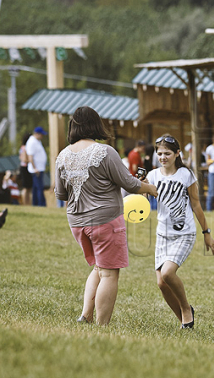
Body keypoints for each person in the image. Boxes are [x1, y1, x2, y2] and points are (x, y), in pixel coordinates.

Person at [55, 106, 157, 326]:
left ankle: (85, 315)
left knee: (99, 268)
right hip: (105, 221)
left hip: (76, 223)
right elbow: (129, 183)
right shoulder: (105, 152)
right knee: (109, 274)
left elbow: (61, 194)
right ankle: (102, 326)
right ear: (95, 125)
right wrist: (149, 188)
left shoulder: (62, 155)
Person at [147, 135, 214, 329]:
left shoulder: (185, 174)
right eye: (159, 153)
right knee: (161, 283)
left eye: (167, 153)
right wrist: (139, 187)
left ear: (177, 153)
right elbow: (140, 198)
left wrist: (207, 232)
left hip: (184, 233)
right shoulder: (152, 176)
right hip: (162, 234)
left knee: (168, 274)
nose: (163, 157)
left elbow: (196, 204)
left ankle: (186, 309)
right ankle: (184, 322)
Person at [26, 126, 48, 207]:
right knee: (39, 187)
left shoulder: (37, 141)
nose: (42, 136)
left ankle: (35, 203)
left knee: (36, 188)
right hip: (36, 169)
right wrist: (34, 168)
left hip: (39, 168)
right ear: (37, 134)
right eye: (41, 134)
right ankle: (41, 204)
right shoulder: (31, 142)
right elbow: (30, 156)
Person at [18, 134, 32, 205]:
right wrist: (31, 160)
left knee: (28, 187)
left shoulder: (22, 147)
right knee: (25, 187)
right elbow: (23, 159)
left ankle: (28, 203)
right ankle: (25, 203)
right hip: (24, 168)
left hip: (25, 168)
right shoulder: (24, 148)